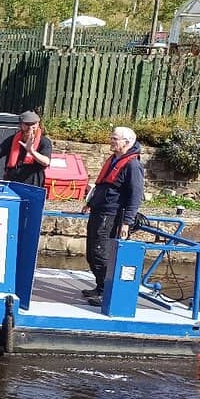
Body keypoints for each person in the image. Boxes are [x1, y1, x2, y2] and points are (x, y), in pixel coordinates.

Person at [80, 126, 144, 306]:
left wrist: (127, 222)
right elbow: (102, 186)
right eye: (112, 137)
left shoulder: (133, 165)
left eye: (115, 138)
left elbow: (136, 194)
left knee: (101, 253)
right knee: (91, 253)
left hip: (111, 214)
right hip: (98, 210)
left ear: (127, 142)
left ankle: (107, 293)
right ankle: (101, 286)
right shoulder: (114, 159)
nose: (111, 141)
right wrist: (90, 203)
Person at [0, 110, 53, 186]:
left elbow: (46, 162)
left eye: (33, 124)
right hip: (12, 182)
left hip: (32, 185)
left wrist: (31, 151)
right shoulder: (13, 139)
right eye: (27, 124)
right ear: (21, 125)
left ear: (38, 124)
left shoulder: (44, 142)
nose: (30, 128)